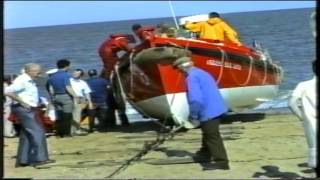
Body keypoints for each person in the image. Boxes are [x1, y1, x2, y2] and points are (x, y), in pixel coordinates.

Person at [173, 56, 230, 170]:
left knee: (212, 136)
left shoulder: (191, 77)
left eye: (179, 70)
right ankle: (205, 154)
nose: (180, 73)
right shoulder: (202, 72)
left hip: (208, 110)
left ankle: (222, 162)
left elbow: (196, 100)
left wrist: (193, 116)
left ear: (182, 68)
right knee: (208, 132)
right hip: (218, 107)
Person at [5, 63, 55, 167]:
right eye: (37, 71)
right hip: (24, 109)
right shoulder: (22, 80)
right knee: (39, 132)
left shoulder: (29, 79)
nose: (39, 73)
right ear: (29, 71)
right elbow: (7, 91)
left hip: (28, 108)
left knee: (27, 134)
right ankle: (40, 159)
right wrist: (22, 102)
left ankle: (23, 160)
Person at [46, 59, 78, 138]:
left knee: (60, 115)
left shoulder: (52, 76)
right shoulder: (66, 75)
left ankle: (59, 133)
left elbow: (49, 88)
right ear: (66, 66)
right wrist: (75, 96)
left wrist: (52, 97)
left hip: (56, 97)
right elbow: (68, 87)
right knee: (67, 115)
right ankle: (66, 133)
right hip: (65, 96)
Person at [70, 69, 93, 135]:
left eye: (77, 73)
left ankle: (76, 130)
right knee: (69, 115)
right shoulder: (69, 81)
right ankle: (70, 130)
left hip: (79, 99)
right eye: (74, 72)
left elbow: (87, 93)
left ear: (81, 75)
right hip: (70, 98)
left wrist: (90, 102)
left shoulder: (83, 83)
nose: (75, 74)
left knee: (77, 115)